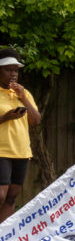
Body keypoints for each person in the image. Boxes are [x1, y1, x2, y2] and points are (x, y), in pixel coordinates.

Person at [0, 49, 41, 222]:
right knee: (0, 196)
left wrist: (23, 97)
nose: (13, 74)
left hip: (22, 151)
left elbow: (36, 120)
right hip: (1, 151)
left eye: (16, 70)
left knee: (11, 197)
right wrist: (5, 117)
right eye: (8, 70)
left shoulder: (24, 94)